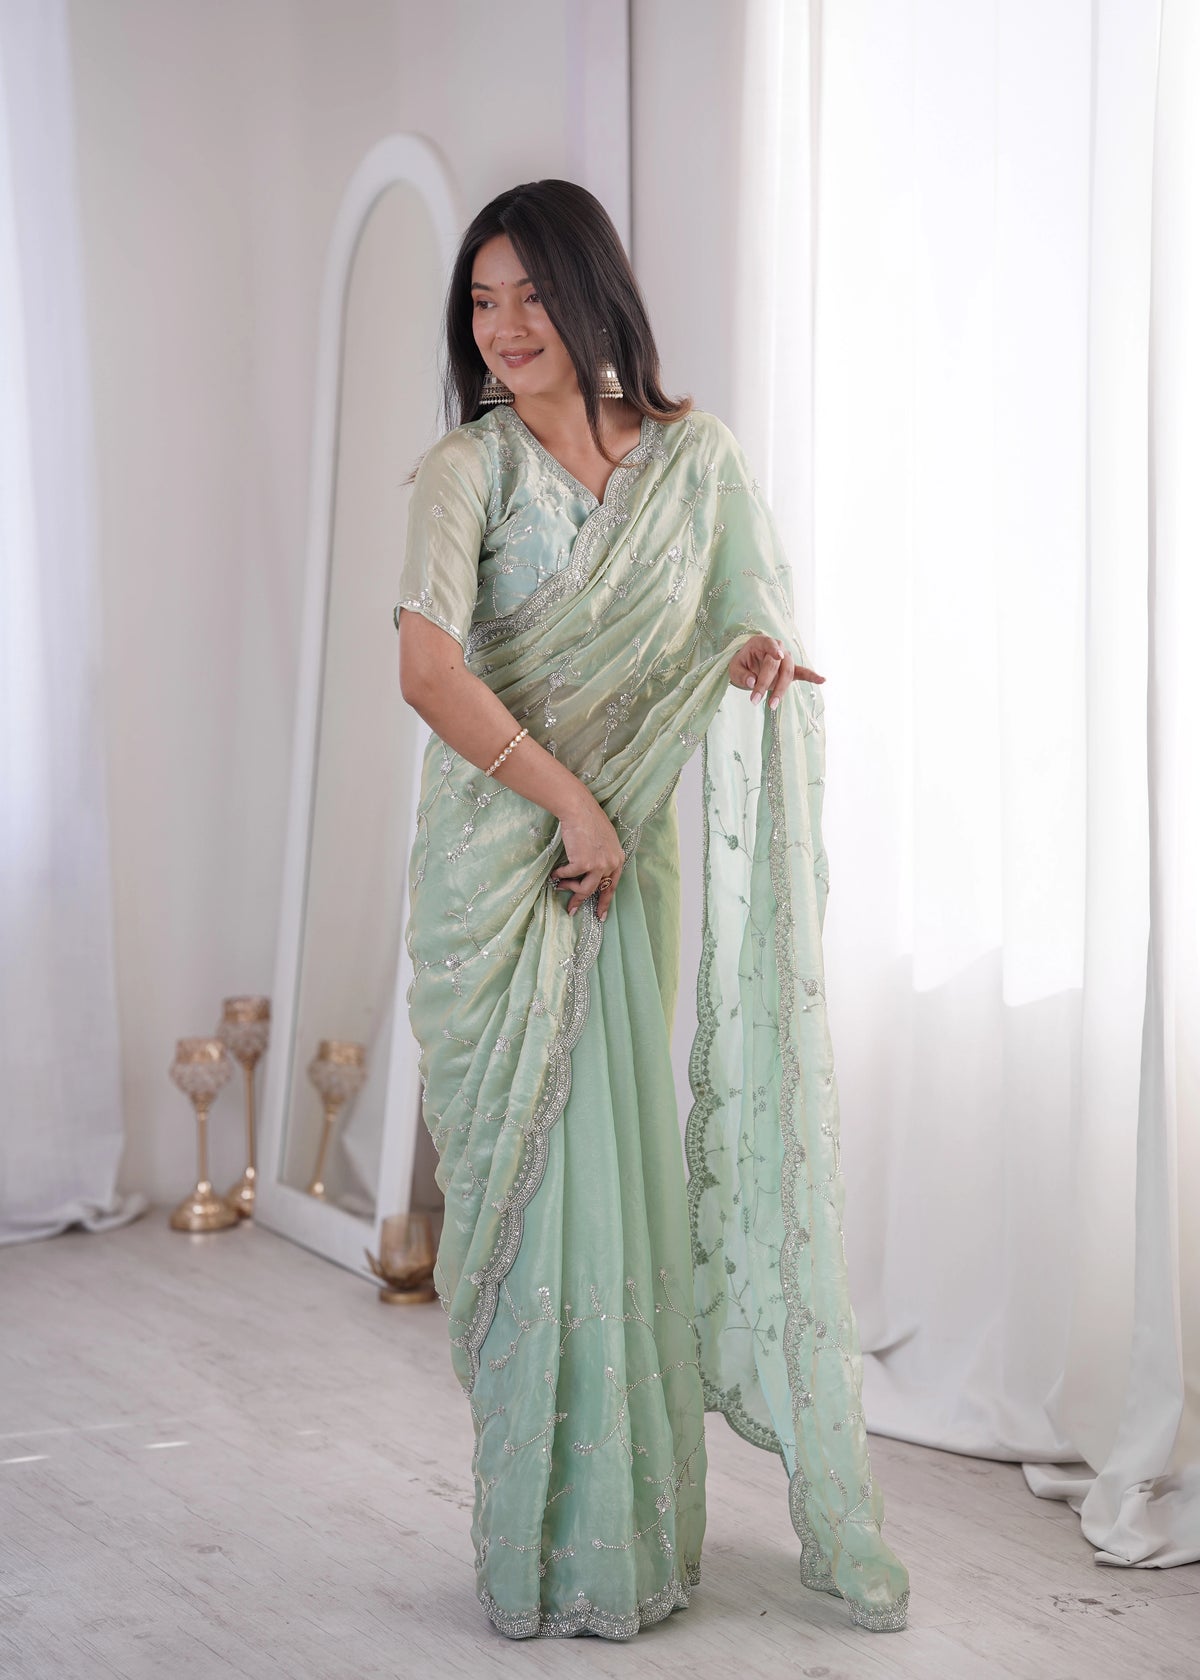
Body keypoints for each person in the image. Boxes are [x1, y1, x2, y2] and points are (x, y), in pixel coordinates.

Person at [394, 179, 909, 1641]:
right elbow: (430, 673)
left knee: (616, 1183)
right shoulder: (466, 474)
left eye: (529, 295)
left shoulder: (698, 460)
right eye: (481, 302)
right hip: (513, 868)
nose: (503, 328)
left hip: (631, 863)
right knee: (532, 1199)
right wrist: (569, 801)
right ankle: (541, 1544)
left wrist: (749, 660)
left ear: (589, 291)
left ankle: (630, 1538)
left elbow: (747, 615)